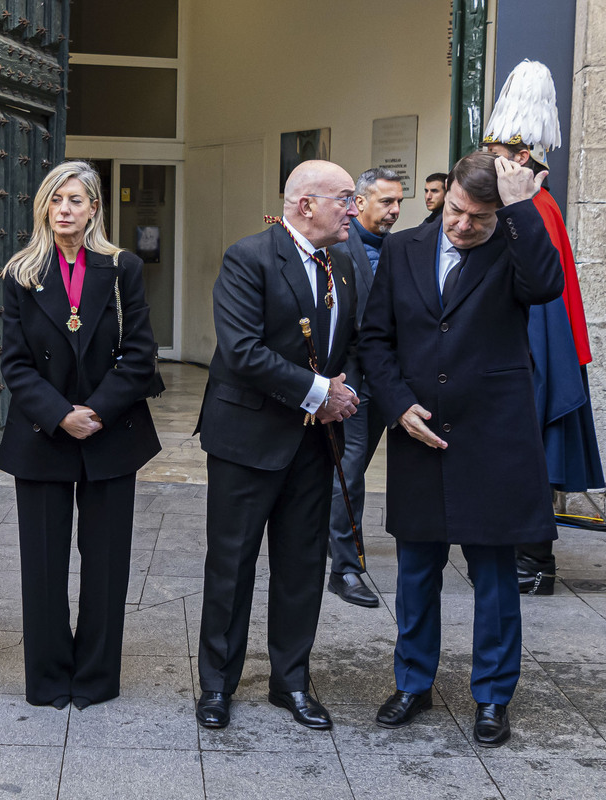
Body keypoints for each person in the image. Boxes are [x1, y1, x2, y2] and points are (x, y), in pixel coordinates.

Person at [360, 152, 563, 747]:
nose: (463, 225)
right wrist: (397, 405)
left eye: (479, 216)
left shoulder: (514, 245)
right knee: (417, 568)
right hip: (420, 430)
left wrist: (522, 207)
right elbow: (375, 338)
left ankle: (493, 696)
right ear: (443, 194)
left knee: (495, 575)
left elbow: (546, 285)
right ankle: (412, 683)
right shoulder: (402, 250)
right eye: (455, 210)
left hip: (493, 437)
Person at [195, 160, 360, 732]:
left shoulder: (347, 261)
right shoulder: (250, 257)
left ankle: (290, 682)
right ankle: (216, 685)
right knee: (232, 566)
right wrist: (321, 392)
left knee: (301, 567)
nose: (354, 209)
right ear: (305, 204)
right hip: (247, 440)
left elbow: (353, 347)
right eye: (345, 198)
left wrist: (346, 392)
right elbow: (241, 351)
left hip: (315, 446)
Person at [0, 161, 161, 710]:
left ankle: (94, 678)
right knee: (42, 566)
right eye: (55, 200)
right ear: (43, 206)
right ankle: (47, 678)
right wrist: (59, 413)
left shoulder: (123, 268)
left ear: (94, 208)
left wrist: (95, 411)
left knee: (107, 566)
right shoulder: (20, 272)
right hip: (43, 434)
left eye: (75, 200)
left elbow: (140, 354)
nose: (64, 209)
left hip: (110, 433)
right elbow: (14, 364)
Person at [481, 59, 603, 595]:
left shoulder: (536, 208)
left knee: (531, 454)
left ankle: (534, 565)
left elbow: (542, 301)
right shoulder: (530, 204)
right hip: (519, 357)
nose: (486, 160)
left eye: (494, 153)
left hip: (532, 359)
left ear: (521, 157)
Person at [326, 167, 403, 608]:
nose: (394, 211)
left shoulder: (399, 249)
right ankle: (346, 568)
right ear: (358, 203)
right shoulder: (338, 246)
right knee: (348, 474)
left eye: (398, 203)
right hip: (350, 380)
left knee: (347, 470)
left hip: (385, 380)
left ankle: (326, 538)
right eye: (386, 202)